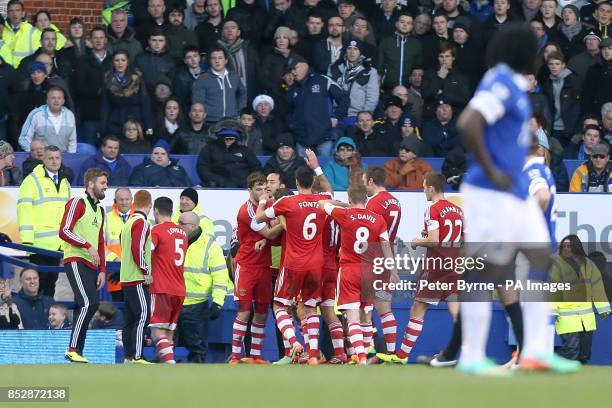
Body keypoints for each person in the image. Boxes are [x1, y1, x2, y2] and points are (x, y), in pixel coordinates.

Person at [456, 24, 580, 374]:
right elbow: (469, 122)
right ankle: (472, 356)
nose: (541, 56)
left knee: (540, 252)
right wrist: (492, 169)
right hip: (488, 189)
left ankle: (536, 352)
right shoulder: (501, 81)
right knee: (484, 268)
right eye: (537, 49)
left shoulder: (511, 82)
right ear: (523, 51)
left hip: (510, 192)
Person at [379, 172, 463, 364]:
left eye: (424, 187)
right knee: (456, 311)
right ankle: (469, 351)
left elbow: (434, 240)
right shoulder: (458, 210)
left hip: (436, 265)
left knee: (418, 308)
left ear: (431, 189)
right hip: (454, 263)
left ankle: (402, 355)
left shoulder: (432, 209)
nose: (424, 190)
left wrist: (418, 241)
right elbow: (464, 238)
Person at [255, 162, 332, 364]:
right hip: (316, 265)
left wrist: (263, 201)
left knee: (280, 305)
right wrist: (317, 168)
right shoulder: (323, 200)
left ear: (296, 183)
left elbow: (259, 219)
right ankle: (313, 355)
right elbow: (329, 189)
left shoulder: (287, 202)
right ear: (313, 182)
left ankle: (293, 342)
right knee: (309, 308)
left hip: (293, 264)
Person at [317, 183, 397, 364]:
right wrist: (392, 270)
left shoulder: (345, 214)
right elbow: (385, 246)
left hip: (349, 270)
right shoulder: (378, 219)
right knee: (366, 316)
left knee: (351, 317)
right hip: (370, 271)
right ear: (367, 199)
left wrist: (343, 205)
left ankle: (360, 356)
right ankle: (367, 353)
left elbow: (322, 203)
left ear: (350, 199)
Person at [230, 172, 283, 363]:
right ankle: (235, 356)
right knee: (244, 312)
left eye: (264, 189)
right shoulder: (247, 211)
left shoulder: (267, 207)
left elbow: (273, 236)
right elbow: (270, 233)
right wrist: (283, 223)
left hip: (264, 266)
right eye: (258, 189)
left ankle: (255, 356)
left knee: (261, 313)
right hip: (246, 265)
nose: (262, 192)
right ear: (249, 190)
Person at [60, 168, 108, 364]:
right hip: (76, 259)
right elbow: (64, 230)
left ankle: (77, 350)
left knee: (89, 304)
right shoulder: (77, 203)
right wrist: (87, 246)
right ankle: (72, 349)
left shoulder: (101, 210)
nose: (106, 187)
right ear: (90, 184)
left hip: (90, 264)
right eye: (103, 183)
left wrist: (103, 270)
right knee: (89, 303)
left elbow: (100, 243)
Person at [17, 145, 71, 297]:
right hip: (38, 244)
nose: (54, 161)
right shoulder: (31, 181)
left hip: (58, 244)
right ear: (43, 160)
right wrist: (27, 241)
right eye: (50, 158)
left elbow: (67, 213)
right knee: (36, 285)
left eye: (57, 158)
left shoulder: (64, 182)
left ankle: (47, 317)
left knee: (51, 284)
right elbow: (24, 210)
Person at [359, 166, 402, 355]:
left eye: (363, 181)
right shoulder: (396, 202)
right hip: (388, 257)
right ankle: (391, 353)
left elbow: (366, 234)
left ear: (370, 181)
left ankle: (367, 351)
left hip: (371, 259)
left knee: (365, 308)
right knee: (385, 309)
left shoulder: (373, 204)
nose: (363, 186)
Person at [177, 211, 229, 363]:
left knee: (197, 350)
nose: (178, 226)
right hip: (173, 301)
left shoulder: (211, 247)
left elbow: (220, 276)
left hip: (196, 305)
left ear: (193, 226)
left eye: (182, 224)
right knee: (166, 346)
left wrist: (218, 303)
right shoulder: (175, 241)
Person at [551, 235, 611, 364]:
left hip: (586, 318)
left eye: (569, 246)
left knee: (584, 354)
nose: (566, 249)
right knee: (571, 351)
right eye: (564, 246)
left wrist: (604, 309)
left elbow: (597, 287)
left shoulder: (588, 265)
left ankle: (576, 376)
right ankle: (557, 367)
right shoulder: (556, 265)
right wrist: (553, 311)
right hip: (566, 317)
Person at [147, 197, 189, 364]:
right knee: (169, 332)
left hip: (161, 287)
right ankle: (167, 366)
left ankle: (170, 364)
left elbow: (146, 252)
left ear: (156, 211)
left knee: (157, 333)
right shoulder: (182, 233)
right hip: (179, 288)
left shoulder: (156, 231)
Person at [285, 55, 349, 157]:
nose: (292, 72)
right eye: (290, 70)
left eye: (294, 68)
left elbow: (344, 98)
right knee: (302, 172)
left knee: (324, 171)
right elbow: (287, 112)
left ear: (304, 66)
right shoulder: (292, 89)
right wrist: (293, 126)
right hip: (302, 140)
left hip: (324, 138)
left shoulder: (322, 80)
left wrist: (337, 117)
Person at [120, 189, 153, 364]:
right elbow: (137, 249)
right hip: (137, 278)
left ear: (134, 203)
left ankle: (128, 356)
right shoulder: (142, 222)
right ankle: (138, 356)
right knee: (143, 315)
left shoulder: (128, 223)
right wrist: (146, 271)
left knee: (130, 319)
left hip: (126, 277)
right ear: (150, 204)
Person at [73, 27, 112, 147]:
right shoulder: (82, 61)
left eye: (101, 37)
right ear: (90, 40)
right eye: (95, 38)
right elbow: (77, 86)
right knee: (89, 146)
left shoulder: (113, 60)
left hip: (110, 112)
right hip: (90, 113)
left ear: (106, 40)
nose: (98, 40)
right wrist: (97, 91)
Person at [328, 40, 379, 123]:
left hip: (356, 116)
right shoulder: (334, 68)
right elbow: (327, 93)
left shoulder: (369, 71)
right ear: (345, 51)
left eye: (355, 49)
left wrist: (363, 118)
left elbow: (372, 97)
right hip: (335, 115)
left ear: (360, 52)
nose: (352, 52)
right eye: (349, 48)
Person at [192, 48, 247, 125]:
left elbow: (242, 93)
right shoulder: (203, 78)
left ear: (226, 60)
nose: (217, 61)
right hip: (210, 122)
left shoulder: (234, 76)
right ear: (210, 61)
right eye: (214, 58)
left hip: (232, 121)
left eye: (220, 58)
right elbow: (197, 102)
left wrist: (240, 111)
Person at [197, 124, 262, 187]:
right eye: (226, 138)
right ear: (220, 137)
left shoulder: (245, 150)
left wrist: (248, 182)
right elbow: (203, 169)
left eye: (231, 138)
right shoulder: (209, 148)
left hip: (242, 186)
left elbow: (256, 168)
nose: (228, 141)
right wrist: (221, 181)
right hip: (217, 186)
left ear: (236, 138)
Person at [18, 87, 77, 153]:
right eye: (53, 98)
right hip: (40, 158)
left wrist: (71, 158)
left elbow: (72, 141)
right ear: (47, 101)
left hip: (61, 158)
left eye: (59, 98)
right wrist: (36, 153)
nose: (56, 101)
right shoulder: (36, 114)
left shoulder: (69, 115)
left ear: (63, 101)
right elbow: (23, 139)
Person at [540, 51, 581, 145]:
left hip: (569, 129)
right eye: (551, 64)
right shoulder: (547, 83)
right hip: (552, 128)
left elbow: (578, 107)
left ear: (563, 65)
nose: (554, 67)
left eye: (557, 64)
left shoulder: (574, 81)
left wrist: (576, 130)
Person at [421, 42, 471, 119]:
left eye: (447, 56)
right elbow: (426, 95)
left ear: (453, 58)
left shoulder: (460, 77)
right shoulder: (429, 74)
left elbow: (465, 100)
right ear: (438, 58)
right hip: (432, 117)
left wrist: (444, 95)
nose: (444, 59)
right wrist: (439, 78)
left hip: (455, 118)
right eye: (441, 56)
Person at [216, 19, 261, 102]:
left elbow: (257, 71)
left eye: (233, 28)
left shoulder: (249, 49)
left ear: (238, 32)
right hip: (226, 97)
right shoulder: (216, 51)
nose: (229, 30)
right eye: (226, 28)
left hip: (249, 93)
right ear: (222, 33)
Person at [377, 12, 423, 92]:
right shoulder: (386, 41)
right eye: (402, 22)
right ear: (396, 24)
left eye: (408, 23)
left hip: (409, 90)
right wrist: (378, 87)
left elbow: (418, 68)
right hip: (387, 89)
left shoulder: (416, 44)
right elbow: (379, 68)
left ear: (412, 27)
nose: (405, 25)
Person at [105, 188, 133, 302]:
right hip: (116, 275)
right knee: (119, 312)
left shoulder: (141, 218)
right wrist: (114, 259)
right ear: (115, 201)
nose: (124, 202)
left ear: (132, 200)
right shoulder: (106, 218)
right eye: (121, 199)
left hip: (135, 275)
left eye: (127, 199)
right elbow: (100, 245)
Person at [134, 28, 176, 93]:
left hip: (164, 96)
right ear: (149, 41)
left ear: (165, 42)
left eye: (160, 40)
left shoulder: (170, 60)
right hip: (143, 96)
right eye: (154, 40)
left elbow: (172, 82)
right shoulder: (139, 59)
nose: (157, 43)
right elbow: (136, 81)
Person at [2, 0, 37, 68]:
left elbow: (37, 55)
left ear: (23, 13)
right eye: (11, 11)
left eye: (17, 10)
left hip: (24, 72)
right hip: (4, 72)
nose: (14, 14)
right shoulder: (2, 30)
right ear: (8, 14)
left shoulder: (32, 31)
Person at [173, 46, 206, 112]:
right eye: (189, 57)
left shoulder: (208, 73)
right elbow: (180, 100)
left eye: (195, 56)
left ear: (199, 58)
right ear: (185, 61)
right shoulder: (181, 78)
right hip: (190, 111)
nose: (193, 59)